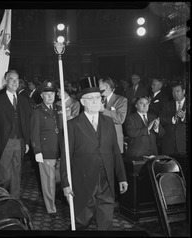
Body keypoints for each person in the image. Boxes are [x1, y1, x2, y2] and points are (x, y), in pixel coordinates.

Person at [60, 86, 128, 230]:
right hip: (84, 179)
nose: (96, 101)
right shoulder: (72, 125)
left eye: (98, 98)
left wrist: (122, 177)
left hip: (106, 179)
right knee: (82, 220)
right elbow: (66, 156)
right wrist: (66, 183)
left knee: (106, 220)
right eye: (91, 98)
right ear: (83, 102)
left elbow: (115, 151)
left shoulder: (108, 122)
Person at [0, 70, 31, 199]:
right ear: (6, 81)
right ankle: (0, 200)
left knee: (17, 174)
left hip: (20, 141)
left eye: (17, 79)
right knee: (3, 177)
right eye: (12, 79)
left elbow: (26, 123)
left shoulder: (23, 99)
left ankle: (14, 201)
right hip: (4, 142)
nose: (15, 82)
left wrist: (27, 142)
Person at [30, 80, 61, 215]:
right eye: (47, 94)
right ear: (41, 96)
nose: (50, 96)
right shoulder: (37, 111)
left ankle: (57, 199)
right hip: (46, 150)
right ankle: (51, 208)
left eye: (52, 93)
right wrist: (37, 151)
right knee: (48, 182)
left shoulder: (59, 109)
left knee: (59, 179)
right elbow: (34, 132)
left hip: (59, 150)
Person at [160, 80, 187, 176]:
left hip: (184, 146)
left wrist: (184, 117)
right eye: (173, 91)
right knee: (169, 175)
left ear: (184, 91)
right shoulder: (167, 104)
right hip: (169, 146)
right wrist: (173, 119)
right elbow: (161, 119)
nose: (175, 94)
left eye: (177, 91)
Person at [98, 77, 128, 154]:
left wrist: (103, 110)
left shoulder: (121, 100)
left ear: (106, 87)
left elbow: (120, 119)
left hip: (114, 139)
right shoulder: (98, 99)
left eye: (99, 86)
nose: (97, 88)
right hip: (100, 139)